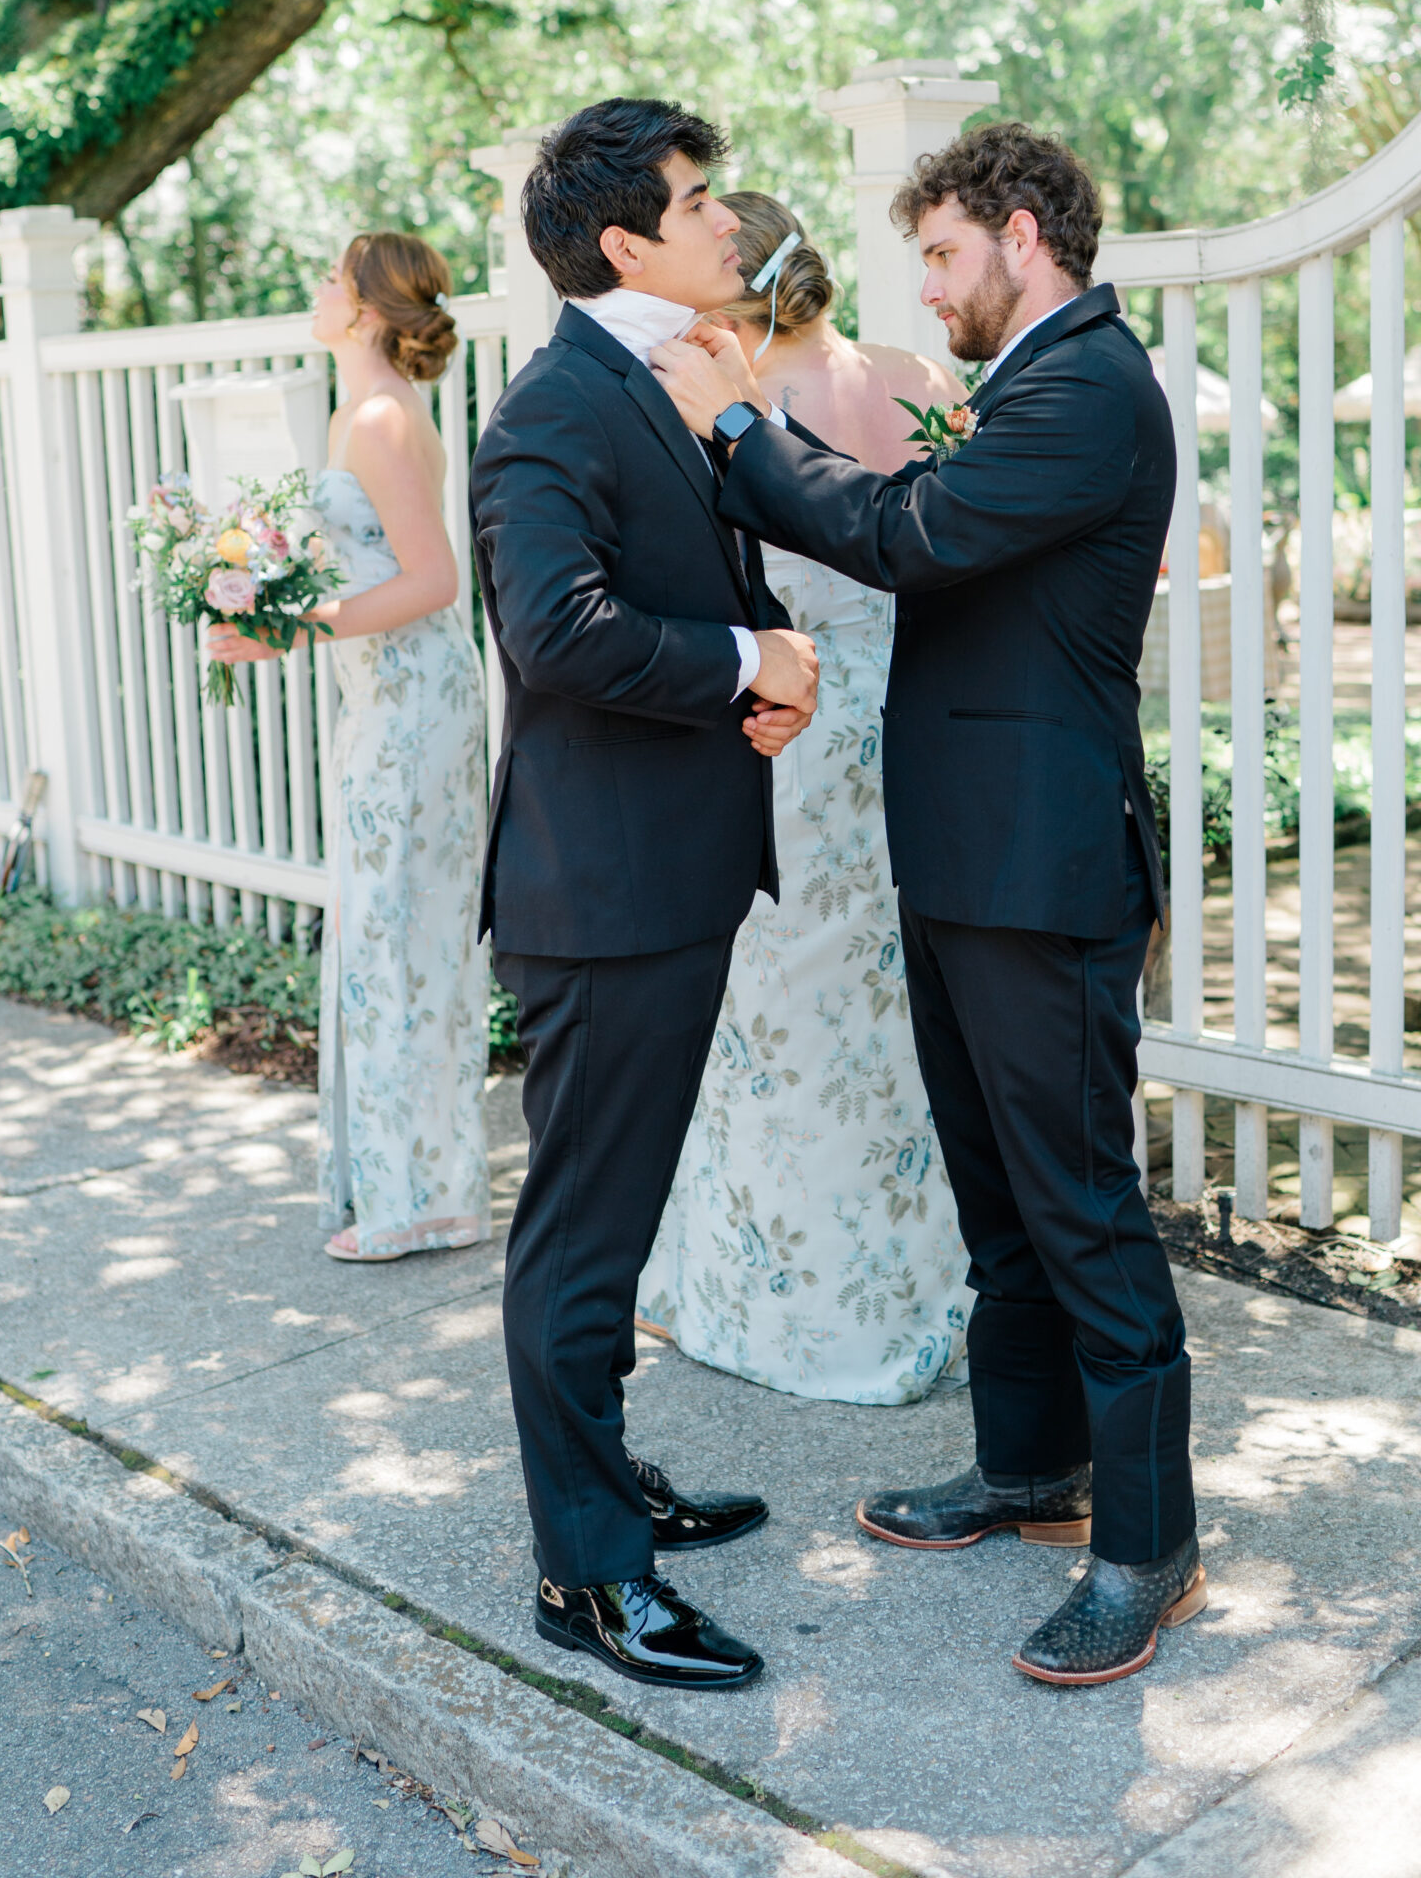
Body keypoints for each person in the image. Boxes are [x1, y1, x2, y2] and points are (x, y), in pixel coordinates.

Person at [650, 122, 1202, 1691]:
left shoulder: (1088, 384)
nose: (931, 288)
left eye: (945, 255)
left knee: (1081, 1205)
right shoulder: (1030, 382)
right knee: (996, 1199)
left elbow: (908, 536)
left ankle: (1148, 1543)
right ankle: (1029, 1468)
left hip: (1042, 870)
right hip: (965, 860)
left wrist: (740, 427)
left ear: (1022, 235)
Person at [469, 100, 820, 1694]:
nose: (726, 222)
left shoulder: (658, 377)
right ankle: (588, 1579)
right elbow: (558, 635)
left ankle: (607, 1480)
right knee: (579, 1241)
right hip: (598, 898)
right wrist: (746, 659)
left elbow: (689, 587)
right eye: (698, 203)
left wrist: (758, 675)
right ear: (623, 242)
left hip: (666, 878)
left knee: (613, 1223)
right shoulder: (551, 410)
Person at [638, 193, 972, 1403]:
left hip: (786, 730)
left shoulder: (728, 415)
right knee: (895, 1010)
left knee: (773, 1016)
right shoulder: (915, 372)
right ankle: (917, 1284)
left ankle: (776, 1301)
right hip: (914, 729)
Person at [209, 232, 489, 1265]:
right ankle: (424, 1184)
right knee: (397, 933)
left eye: (331, 277)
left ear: (369, 308)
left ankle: (421, 1197)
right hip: (386, 697)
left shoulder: (374, 417)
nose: (316, 287)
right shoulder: (360, 412)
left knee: (397, 936)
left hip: (414, 702)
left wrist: (286, 626)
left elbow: (431, 581)